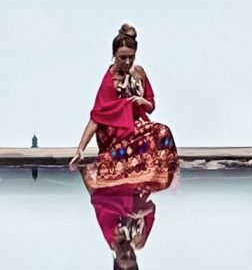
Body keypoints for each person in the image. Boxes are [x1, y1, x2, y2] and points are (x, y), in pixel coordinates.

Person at [69, 26, 178, 192]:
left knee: (163, 133)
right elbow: (97, 117)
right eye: (122, 57)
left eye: (131, 57)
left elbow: (150, 107)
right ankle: (108, 165)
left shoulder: (139, 73)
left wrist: (142, 102)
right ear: (114, 56)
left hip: (135, 125)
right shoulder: (110, 81)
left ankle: (164, 180)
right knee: (156, 135)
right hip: (113, 131)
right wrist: (80, 148)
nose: (127, 62)